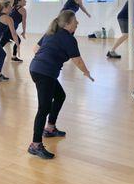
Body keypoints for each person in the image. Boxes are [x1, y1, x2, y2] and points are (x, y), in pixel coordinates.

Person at [28, 10, 94, 159]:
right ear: (68, 23)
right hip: (44, 73)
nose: (77, 23)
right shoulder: (68, 38)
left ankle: (50, 128)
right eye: (75, 20)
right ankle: (35, 145)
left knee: (59, 96)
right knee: (43, 108)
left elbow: (35, 49)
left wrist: (44, 60)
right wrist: (87, 72)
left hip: (38, 69)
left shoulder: (51, 32)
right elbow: (77, 60)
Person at [0, 0, 27, 65]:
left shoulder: (12, 7)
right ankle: (13, 56)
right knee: (17, 41)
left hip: (6, 28)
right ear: (19, 1)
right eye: (24, 0)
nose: (25, 1)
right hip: (10, 29)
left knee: (2, 43)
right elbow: (24, 21)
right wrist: (24, 31)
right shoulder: (23, 10)